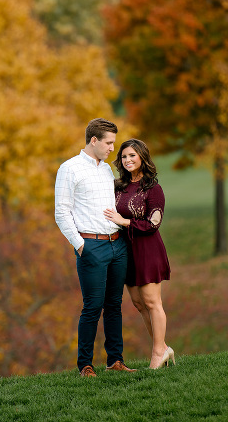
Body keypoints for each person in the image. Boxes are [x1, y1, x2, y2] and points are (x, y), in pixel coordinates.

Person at [55, 118, 136, 377]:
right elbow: (62, 212)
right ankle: (85, 365)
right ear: (94, 141)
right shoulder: (70, 169)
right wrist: (80, 246)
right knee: (92, 306)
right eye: (109, 143)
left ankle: (115, 360)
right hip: (91, 246)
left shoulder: (105, 170)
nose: (113, 148)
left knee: (114, 305)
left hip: (116, 244)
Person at [104, 138, 174, 369]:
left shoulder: (153, 188)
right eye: (124, 156)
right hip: (125, 250)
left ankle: (157, 353)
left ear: (143, 157)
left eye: (132, 155)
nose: (128, 160)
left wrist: (123, 221)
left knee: (153, 302)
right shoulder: (118, 186)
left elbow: (153, 223)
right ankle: (163, 348)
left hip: (147, 249)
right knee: (138, 303)